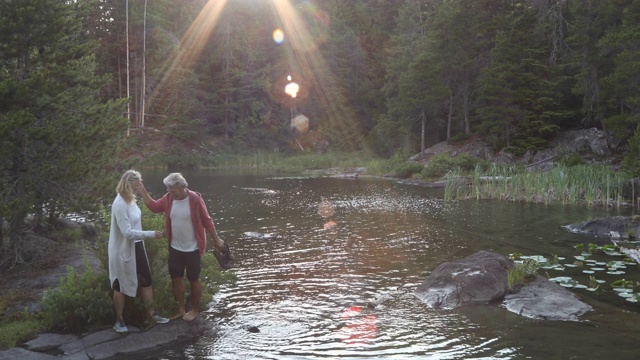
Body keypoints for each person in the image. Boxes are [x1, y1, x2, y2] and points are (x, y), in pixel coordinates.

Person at [139, 172, 225, 321]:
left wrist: (216, 240)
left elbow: (207, 221)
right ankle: (181, 308)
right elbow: (154, 206)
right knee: (176, 278)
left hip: (193, 248)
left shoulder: (195, 199)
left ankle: (194, 309)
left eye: (172, 190)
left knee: (193, 278)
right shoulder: (168, 199)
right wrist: (142, 190)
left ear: (182, 186)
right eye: (168, 190)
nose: (170, 193)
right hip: (175, 248)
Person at [108, 170, 170, 333]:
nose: (139, 186)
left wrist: (143, 192)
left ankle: (150, 314)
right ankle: (119, 320)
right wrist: (150, 234)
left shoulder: (131, 200)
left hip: (137, 245)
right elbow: (126, 232)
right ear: (129, 183)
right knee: (120, 284)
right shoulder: (119, 203)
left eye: (140, 183)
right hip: (122, 249)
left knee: (146, 280)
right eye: (137, 184)